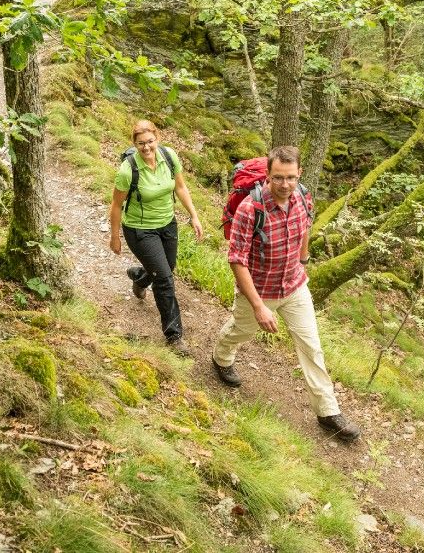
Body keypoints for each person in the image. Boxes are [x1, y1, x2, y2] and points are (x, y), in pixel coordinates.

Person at [211, 145, 361, 442]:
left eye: (290, 177)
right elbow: (237, 259)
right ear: (268, 175)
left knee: (311, 347)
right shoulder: (250, 209)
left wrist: (303, 259)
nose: (284, 184)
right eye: (278, 178)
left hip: (294, 286)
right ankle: (221, 358)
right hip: (259, 289)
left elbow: (305, 227)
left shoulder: (304, 196)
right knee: (240, 331)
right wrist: (258, 307)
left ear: (299, 174)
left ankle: (328, 412)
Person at [109, 120, 203, 356]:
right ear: (134, 144)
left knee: (167, 267)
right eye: (141, 144)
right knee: (164, 278)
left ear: (157, 139)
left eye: (150, 142)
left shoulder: (169, 157)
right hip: (139, 229)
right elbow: (116, 205)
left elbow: (180, 187)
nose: (146, 147)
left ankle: (140, 277)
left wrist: (194, 215)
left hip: (167, 223)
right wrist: (115, 237)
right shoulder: (128, 169)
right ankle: (174, 335)